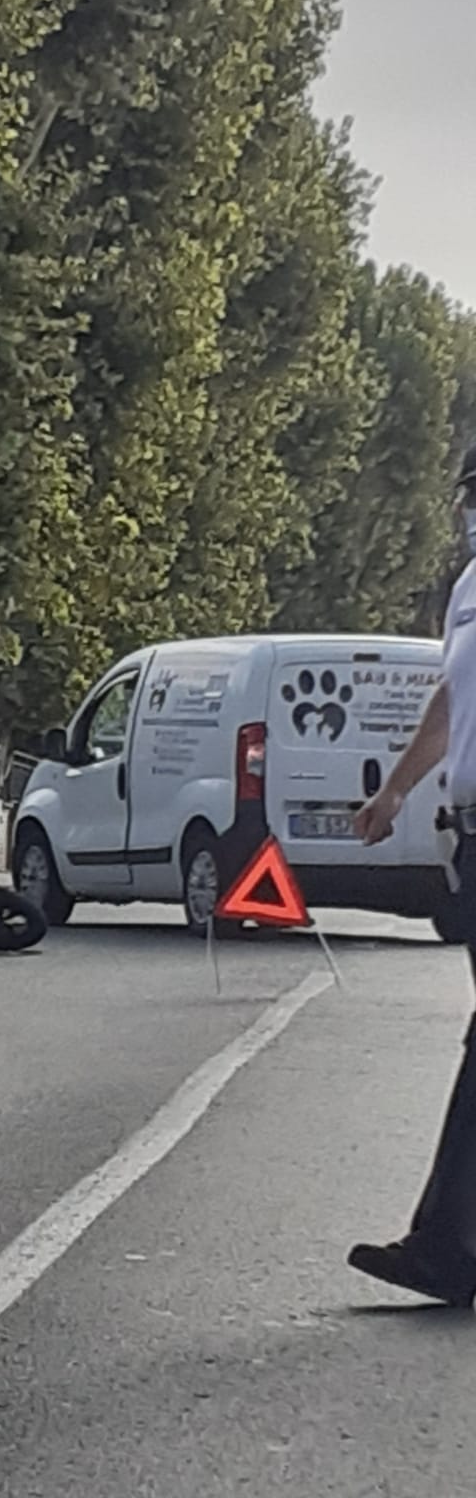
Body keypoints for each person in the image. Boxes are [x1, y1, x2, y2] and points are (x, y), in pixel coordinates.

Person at [349, 445, 476, 1306]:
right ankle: (448, 1247)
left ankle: (445, 1246)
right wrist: (396, 787)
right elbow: (450, 699)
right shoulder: (469, 586)